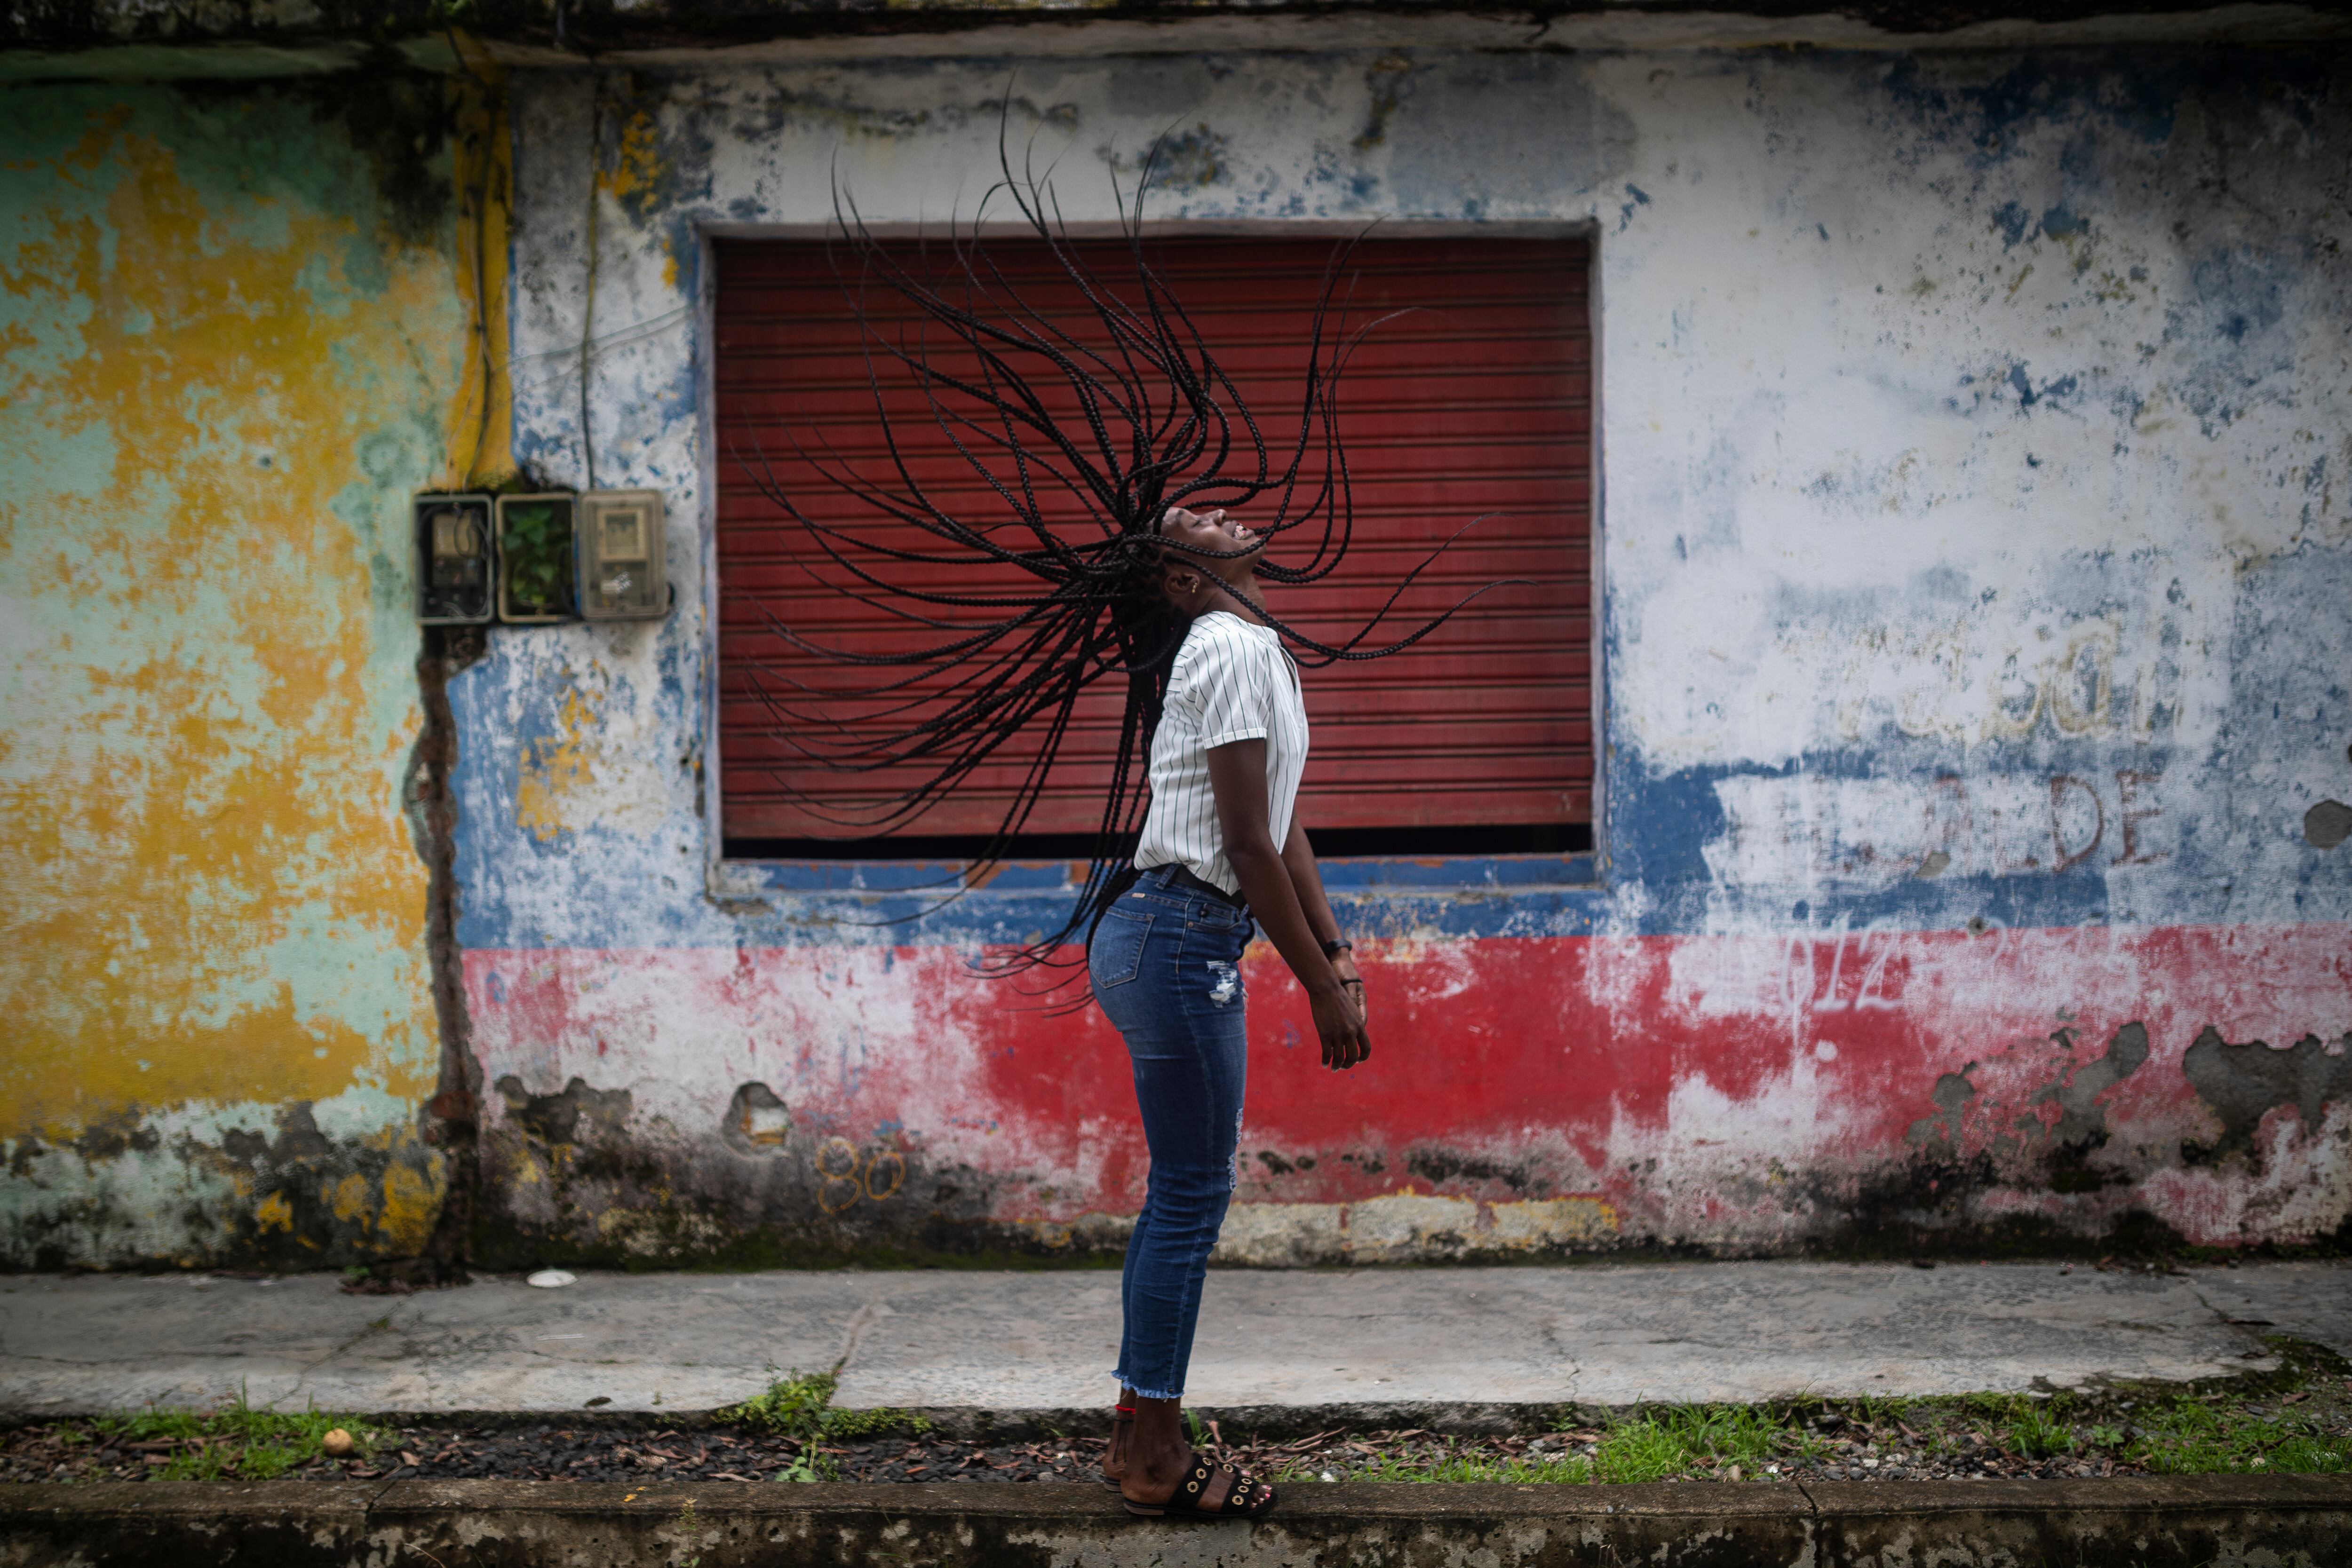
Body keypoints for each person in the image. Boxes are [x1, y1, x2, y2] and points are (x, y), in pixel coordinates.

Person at [1089, 503, 1370, 1520]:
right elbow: (1247, 846)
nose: (1220, 510)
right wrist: (1320, 988)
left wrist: (1335, 949)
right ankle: (1156, 1455)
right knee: (1190, 1196)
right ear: (1181, 577)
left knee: (1178, 1194)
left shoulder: (1251, 647)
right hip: (1178, 934)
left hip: (1164, 933)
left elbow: (1280, 824)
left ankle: (1137, 1432)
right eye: (1193, 520)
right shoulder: (1230, 645)